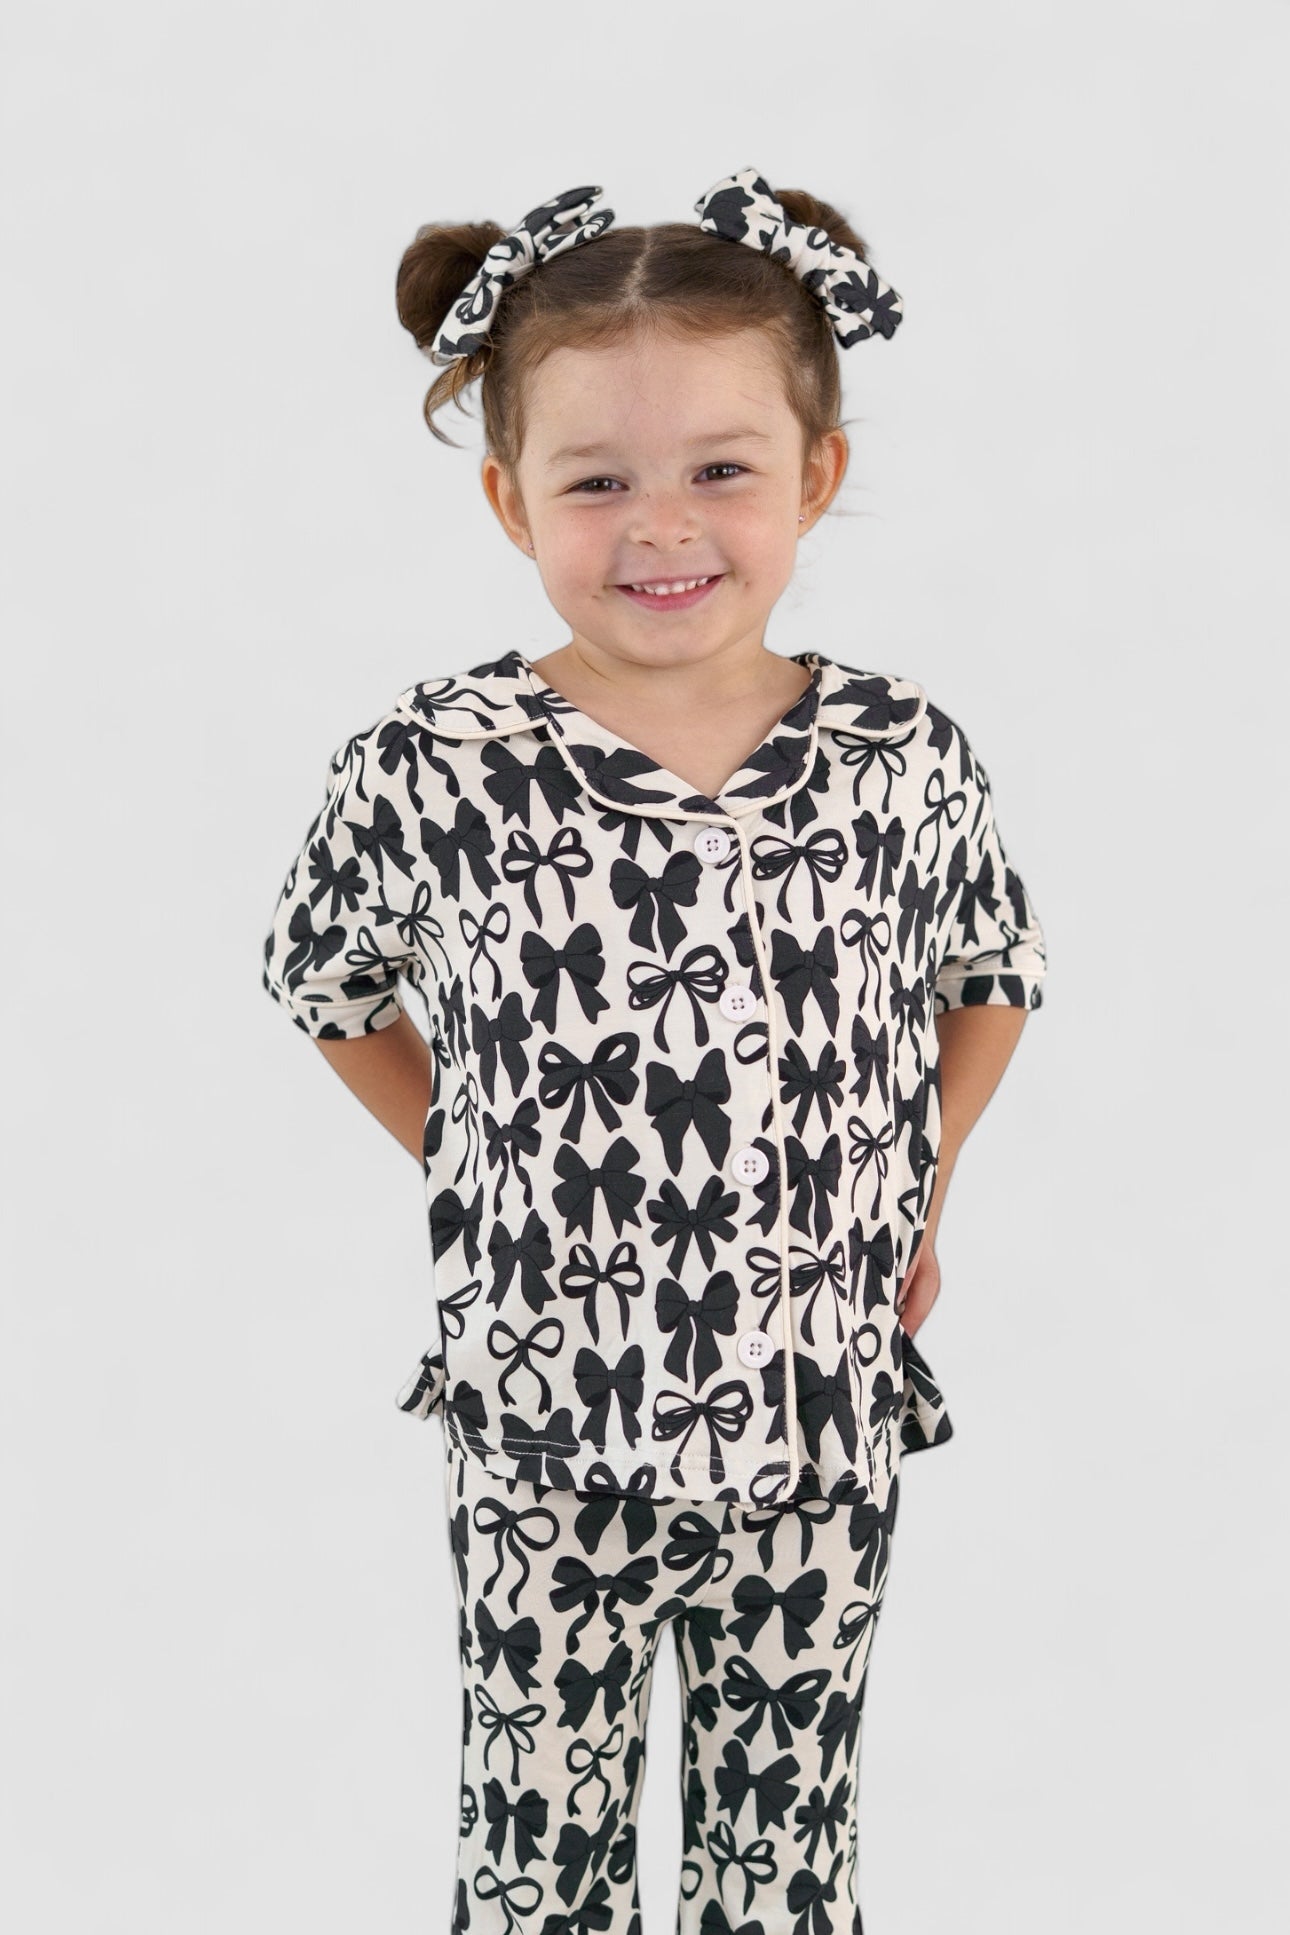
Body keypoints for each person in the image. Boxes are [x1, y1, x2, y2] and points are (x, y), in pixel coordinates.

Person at [260, 166, 1048, 1935]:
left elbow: (987, 972)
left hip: (813, 1416)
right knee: (538, 1856)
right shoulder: (431, 766)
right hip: (545, 1430)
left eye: (720, 471)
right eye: (596, 480)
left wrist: (918, 1181)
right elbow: (325, 984)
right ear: (507, 497)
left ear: (814, 476)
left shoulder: (900, 758)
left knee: (786, 1852)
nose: (660, 527)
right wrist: (468, 1149)